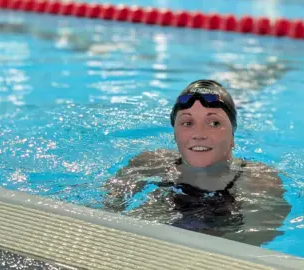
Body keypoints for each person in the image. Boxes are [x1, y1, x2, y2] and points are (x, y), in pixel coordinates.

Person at [103, 79, 292, 246]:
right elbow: (104, 213)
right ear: (175, 134)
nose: (199, 134)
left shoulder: (258, 180)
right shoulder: (150, 163)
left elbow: (254, 249)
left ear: (233, 136)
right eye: (187, 123)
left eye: (214, 123)